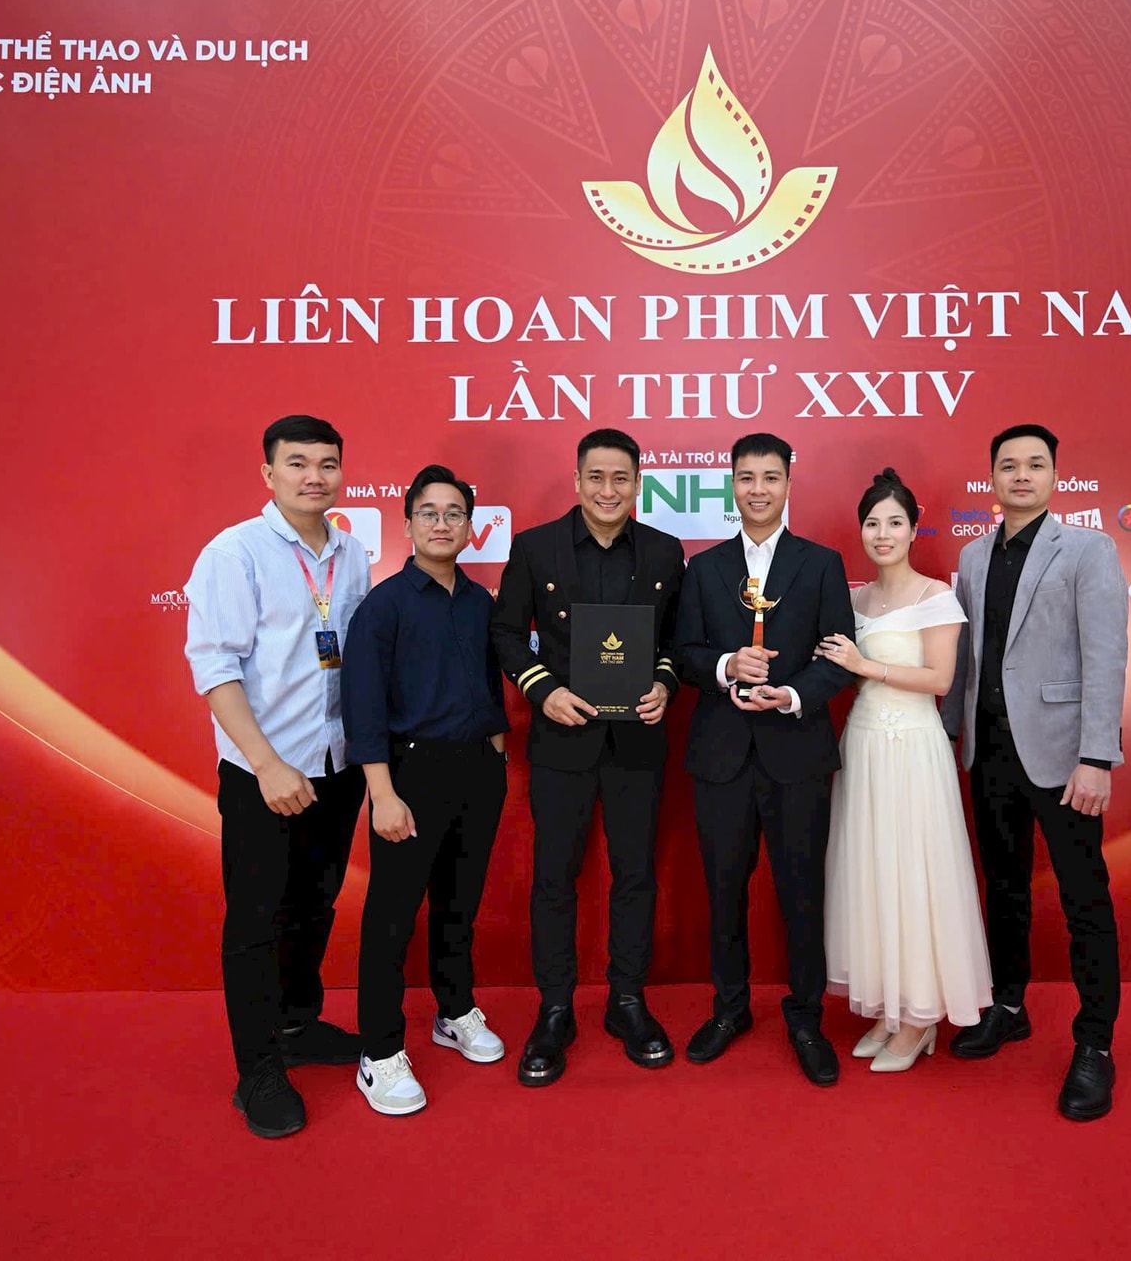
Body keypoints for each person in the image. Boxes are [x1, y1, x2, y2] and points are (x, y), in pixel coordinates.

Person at [183, 414, 370, 1139]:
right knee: (255, 921)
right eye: (297, 463)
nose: (313, 477)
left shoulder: (351, 552)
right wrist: (266, 764)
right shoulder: (236, 553)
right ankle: (257, 1069)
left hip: (335, 765)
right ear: (268, 474)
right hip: (264, 771)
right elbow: (215, 667)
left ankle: (297, 1024)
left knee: (314, 905)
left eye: (327, 464)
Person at [940, 424, 1128, 1120]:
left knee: (1084, 898)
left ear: (1054, 476)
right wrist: (945, 735)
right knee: (1004, 889)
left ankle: (1095, 1042)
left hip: (1062, 755)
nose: (1021, 475)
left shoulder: (1087, 549)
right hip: (989, 752)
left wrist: (1097, 756)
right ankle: (1009, 1005)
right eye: (1009, 465)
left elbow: (1106, 656)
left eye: (1035, 464)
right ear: (992, 477)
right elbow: (966, 658)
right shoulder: (972, 555)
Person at [491, 429, 686, 1086]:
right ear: (577, 481)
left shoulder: (665, 550)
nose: (608, 490)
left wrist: (663, 684)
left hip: (637, 743)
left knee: (636, 876)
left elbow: (675, 640)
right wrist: (541, 690)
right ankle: (554, 1011)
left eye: (621, 478)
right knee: (554, 879)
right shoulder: (534, 547)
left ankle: (627, 1001)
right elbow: (506, 632)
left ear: (638, 484)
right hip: (561, 740)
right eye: (596, 477)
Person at [674, 433, 856, 1087]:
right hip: (721, 756)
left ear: (787, 484)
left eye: (770, 477)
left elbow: (839, 653)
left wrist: (794, 693)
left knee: (803, 893)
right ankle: (729, 1009)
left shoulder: (821, 563)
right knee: (724, 893)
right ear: (732, 484)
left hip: (797, 754)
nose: (758, 489)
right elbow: (685, 653)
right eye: (747, 477)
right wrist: (727, 665)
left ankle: (805, 1018)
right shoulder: (703, 568)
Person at [340, 465, 511, 1117]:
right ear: (407, 522)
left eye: (454, 514)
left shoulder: (480, 603)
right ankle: (380, 1051)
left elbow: (491, 684)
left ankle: (454, 1010)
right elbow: (363, 709)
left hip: (479, 772)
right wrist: (382, 793)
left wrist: (496, 749)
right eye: (429, 513)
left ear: (470, 527)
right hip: (409, 777)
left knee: (458, 904)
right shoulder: (383, 607)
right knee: (391, 916)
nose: (442, 524)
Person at [816, 468, 992, 1072]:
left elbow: (941, 680)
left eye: (895, 522)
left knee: (915, 875)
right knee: (872, 874)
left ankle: (920, 1018)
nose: (883, 533)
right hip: (862, 747)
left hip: (913, 748)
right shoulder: (852, 599)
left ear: (915, 529)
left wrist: (865, 666)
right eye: (872, 523)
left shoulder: (935, 596)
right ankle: (891, 1009)